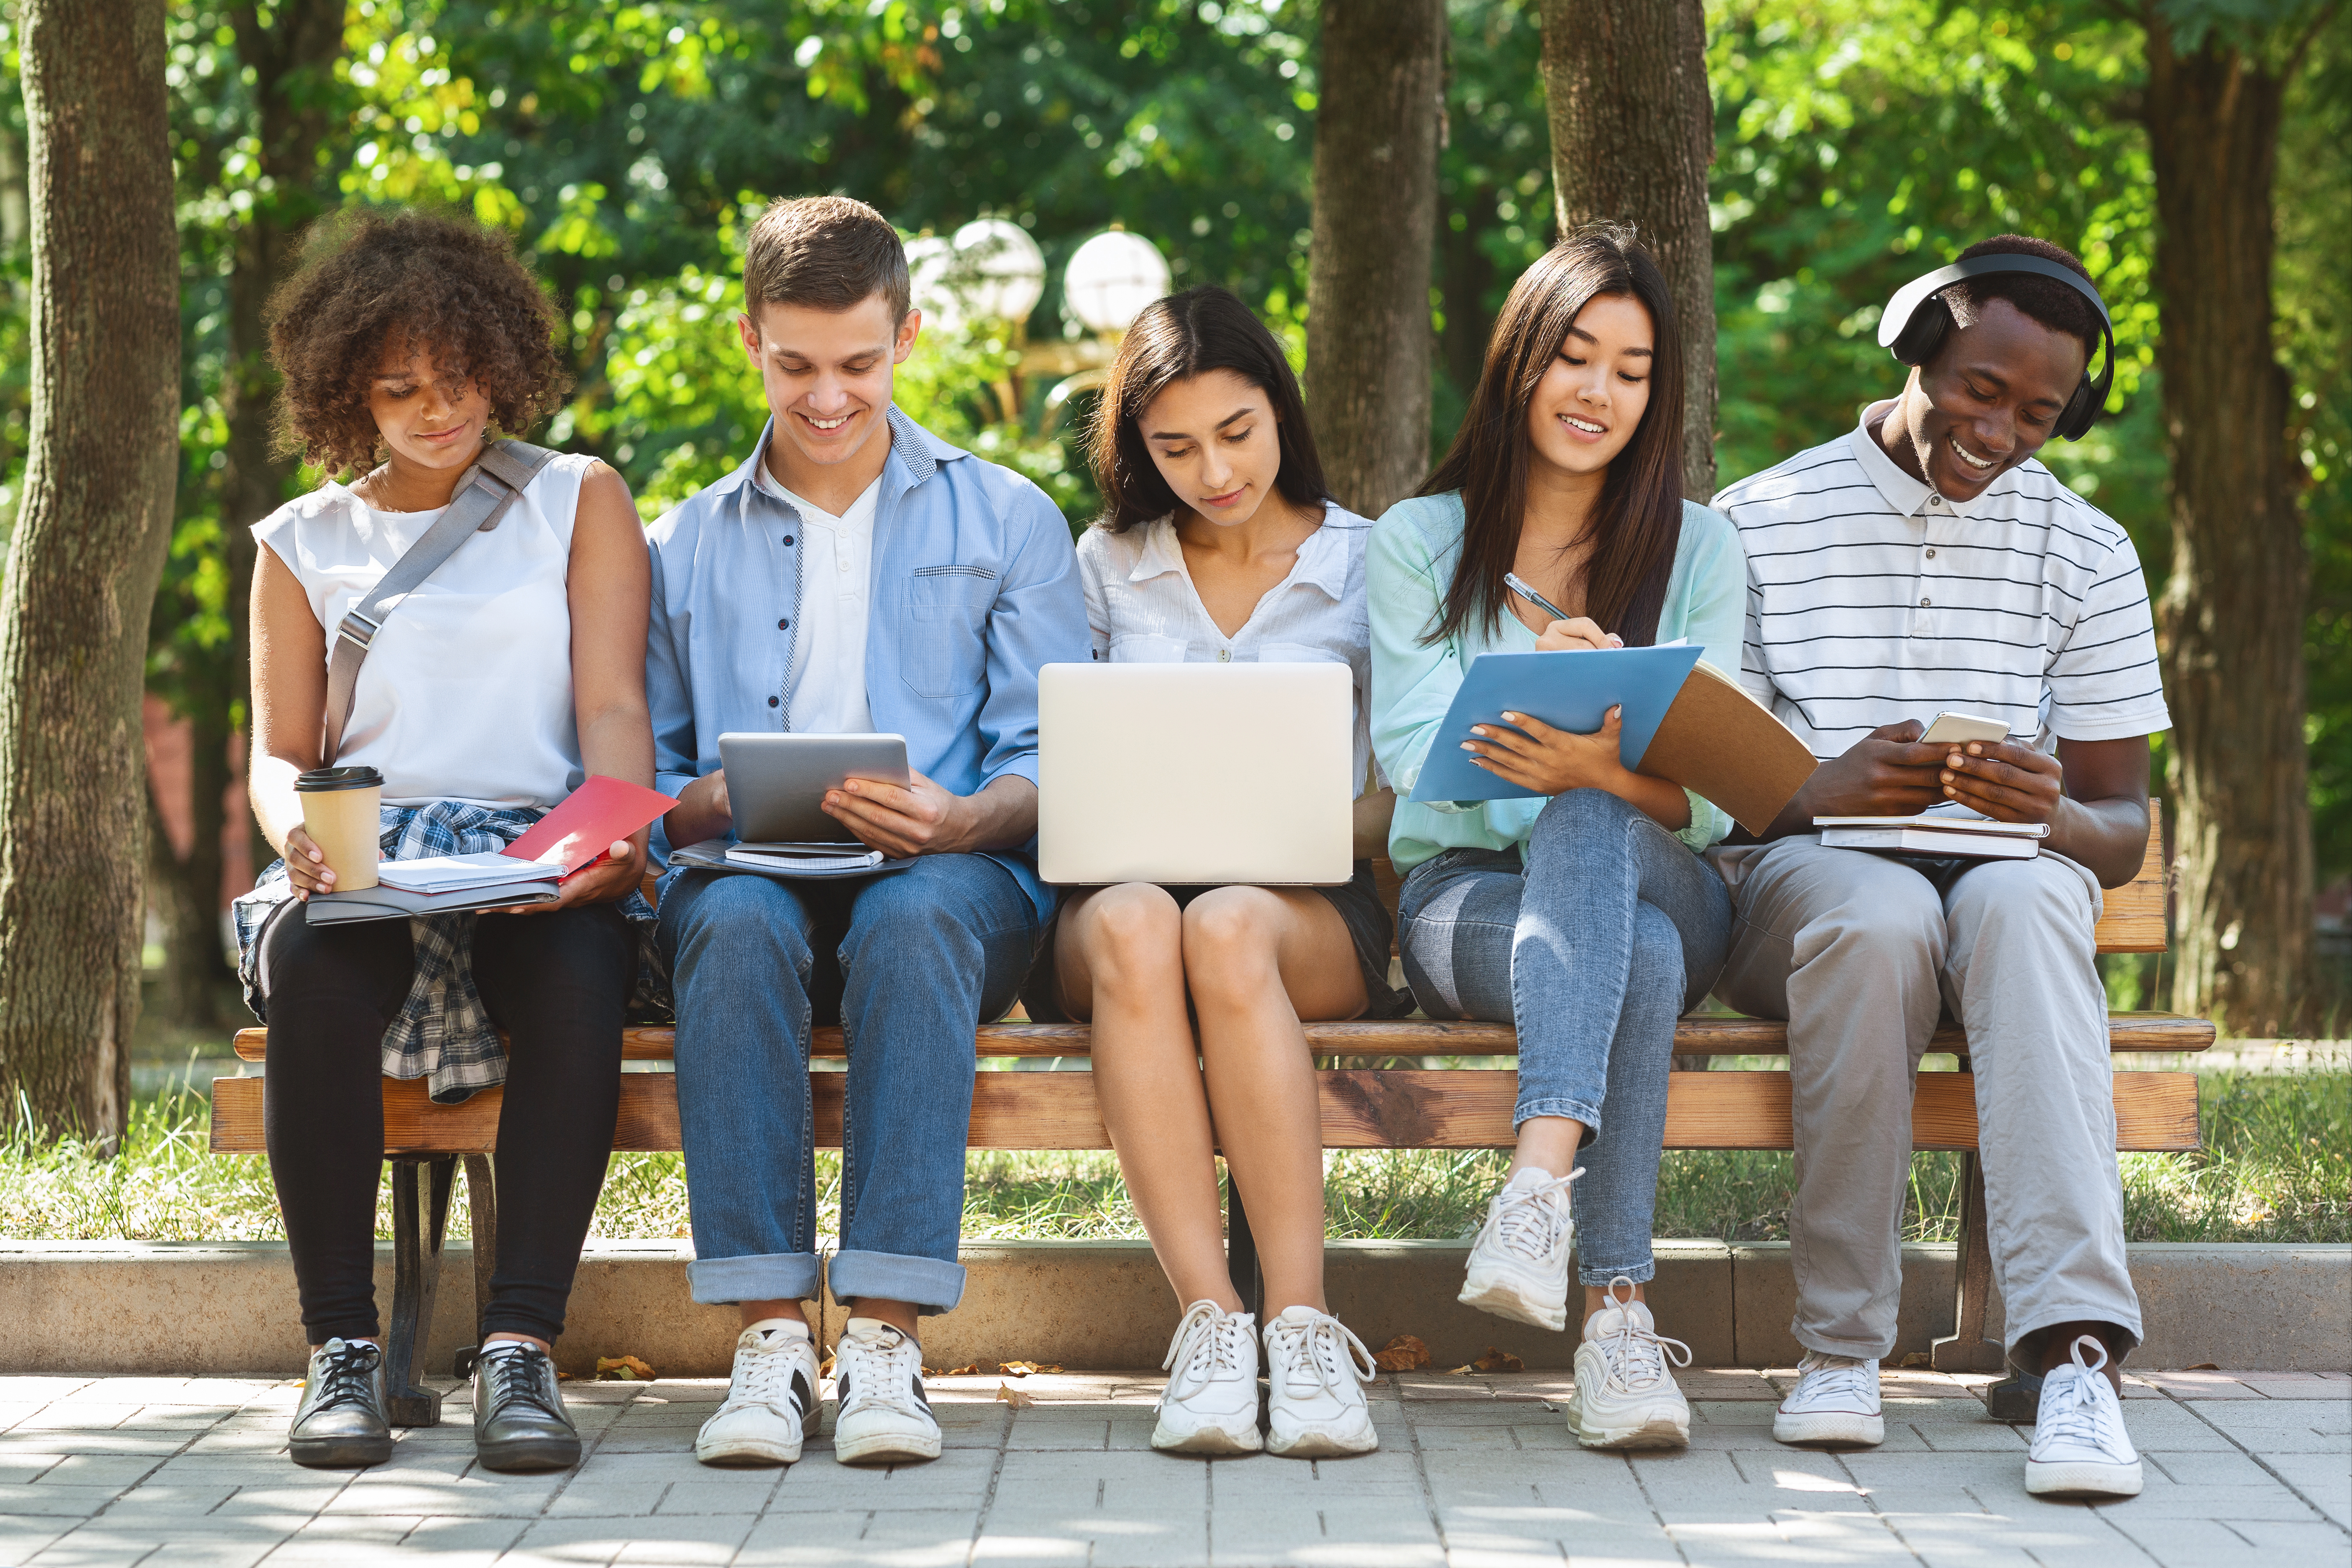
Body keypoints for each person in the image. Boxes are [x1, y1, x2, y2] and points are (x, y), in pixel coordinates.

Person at [1709, 235, 2163, 1500]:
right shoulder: (1759, 519)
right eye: (1980, 388)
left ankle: (2075, 1361)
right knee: (1882, 907)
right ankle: (1841, 1350)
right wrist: (1813, 788)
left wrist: (2056, 811)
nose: (2003, 430)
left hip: (2011, 896)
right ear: (1917, 349)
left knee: (2022, 899)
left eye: (2040, 412)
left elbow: (2121, 828)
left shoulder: (2089, 550)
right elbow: (1701, 793)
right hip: (1810, 893)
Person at [644, 195, 1089, 1470]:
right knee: (728, 921)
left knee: (916, 915)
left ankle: (887, 1341)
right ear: (749, 341)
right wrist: (711, 802)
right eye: (796, 365)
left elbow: (1051, 759)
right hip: (747, 869)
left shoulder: (1008, 520)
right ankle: (773, 1341)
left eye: (858, 362)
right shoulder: (681, 543)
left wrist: (961, 817)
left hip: (952, 879)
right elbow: (650, 786)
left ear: (907, 334)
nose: (827, 396)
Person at [235, 210, 654, 1472]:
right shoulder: (300, 542)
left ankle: (521, 1349)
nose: (437, 410)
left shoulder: (574, 497)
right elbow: (280, 748)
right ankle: (343, 1354)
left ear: (502, 359)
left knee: (578, 974)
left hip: (535, 842)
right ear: (345, 391)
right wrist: (296, 841)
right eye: (399, 387)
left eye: (460, 377)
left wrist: (613, 838)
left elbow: (614, 706)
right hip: (368, 843)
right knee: (314, 965)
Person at [1368, 225, 1741, 1452]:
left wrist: (1592, 773)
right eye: (1576, 357)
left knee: (1602, 838)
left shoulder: (1700, 546)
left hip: (1668, 872)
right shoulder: (1421, 541)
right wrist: (1572, 724)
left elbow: (1714, 800)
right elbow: (1418, 761)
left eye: (1632, 370)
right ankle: (1617, 1319)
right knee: (1628, 949)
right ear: (1521, 361)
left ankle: (1538, 1188)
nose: (1599, 392)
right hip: (1465, 898)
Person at [1027, 285, 1408, 1459]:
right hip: (1120, 907)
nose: (1215, 471)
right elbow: (1057, 757)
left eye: (1237, 432)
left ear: (1281, 410)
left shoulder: (1371, 559)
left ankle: (1301, 1327)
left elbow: (1411, 789)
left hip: (1306, 908)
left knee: (1230, 924)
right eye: (1174, 446)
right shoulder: (1105, 562)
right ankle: (1209, 1326)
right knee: (1149, 921)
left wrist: (1301, 830)